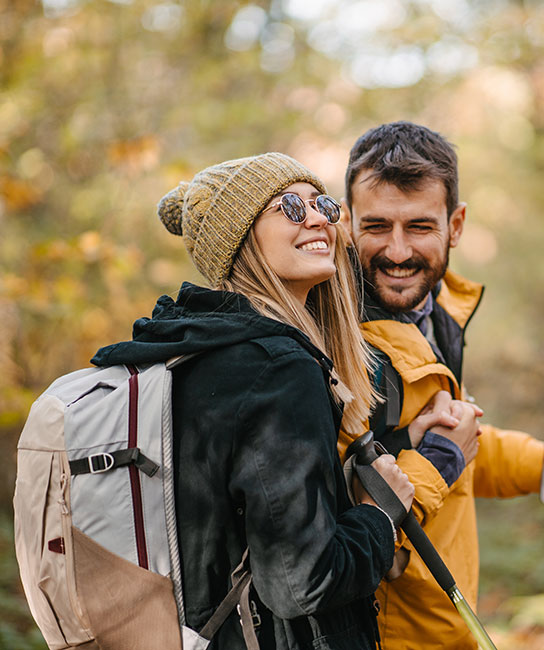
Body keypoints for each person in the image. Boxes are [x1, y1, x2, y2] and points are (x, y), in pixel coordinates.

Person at [91, 152, 414, 650]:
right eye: (287, 206)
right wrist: (378, 514)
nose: (317, 219)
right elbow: (303, 581)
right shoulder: (277, 370)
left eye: (322, 203)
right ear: (239, 241)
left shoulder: (193, 353)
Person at [340, 122, 544, 649]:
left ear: (456, 224)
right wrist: (438, 456)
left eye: (419, 226)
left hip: (446, 628)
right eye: (376, 226)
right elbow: (337, 515)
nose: (397, 251)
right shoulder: (340, 338)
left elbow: (459, 446)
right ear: (348, 223)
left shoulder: (436, 317)